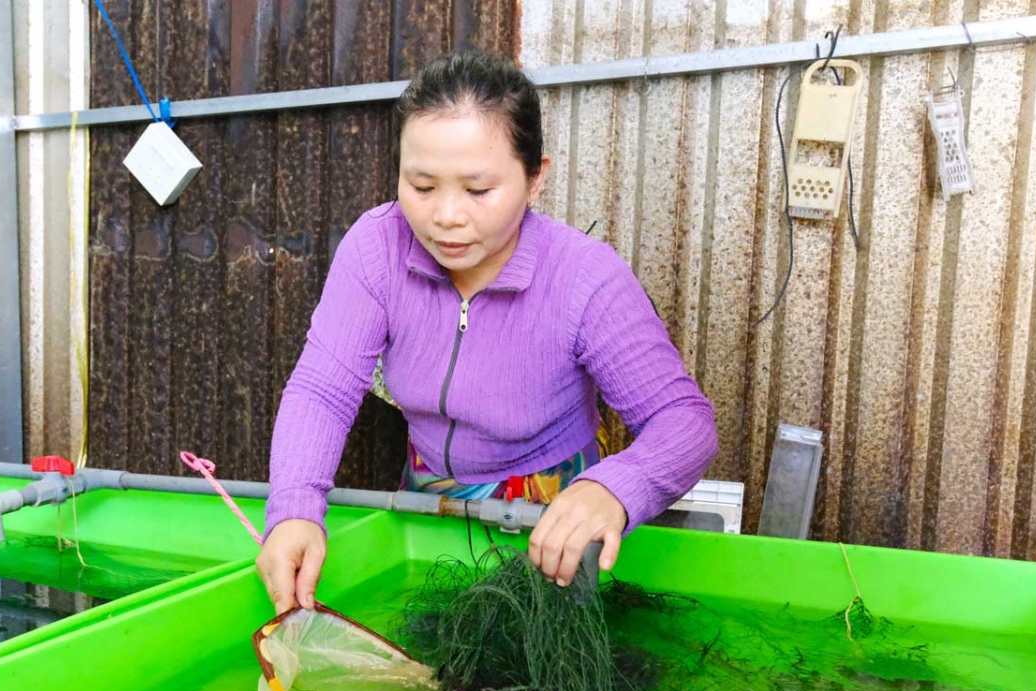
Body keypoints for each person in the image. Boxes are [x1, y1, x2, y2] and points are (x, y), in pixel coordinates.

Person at [257, 50, 718, 614]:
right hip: (428, 495)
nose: (446, 216)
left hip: (553, 514)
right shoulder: (376, 248)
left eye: (478, 191)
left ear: (535, 178)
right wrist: (295, 508)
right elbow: (322, 391)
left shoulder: (583, 277)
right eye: (422, 185)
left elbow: (683, 421)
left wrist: (616, 488)